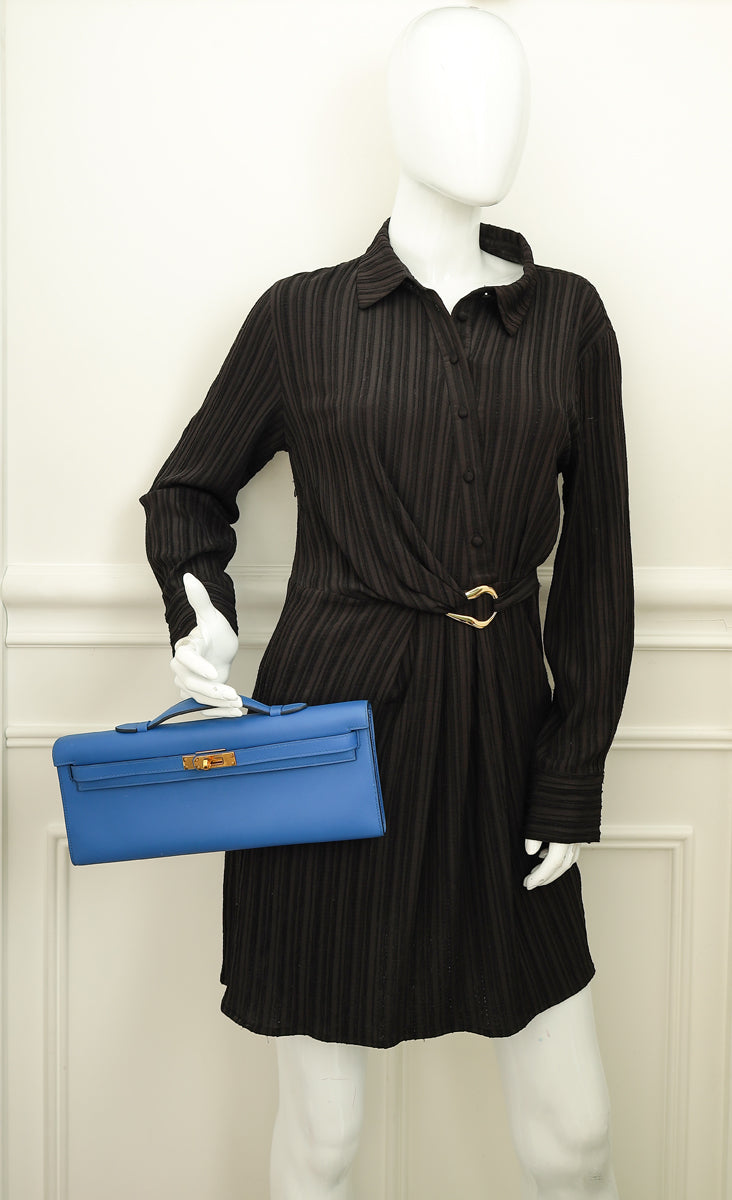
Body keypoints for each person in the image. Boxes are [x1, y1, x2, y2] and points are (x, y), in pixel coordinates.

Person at [140, 8, 633, 1197]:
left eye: (509, 95)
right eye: (458, 93)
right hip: (332, 730)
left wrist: (570, 772)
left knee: (575, 1135)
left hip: (504, 733)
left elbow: (600, 565)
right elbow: (189, 490)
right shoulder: (302, 316)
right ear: (398, 117)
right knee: (324, 1134)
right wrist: (201, 613)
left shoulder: (567, 318)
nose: (490, 123)